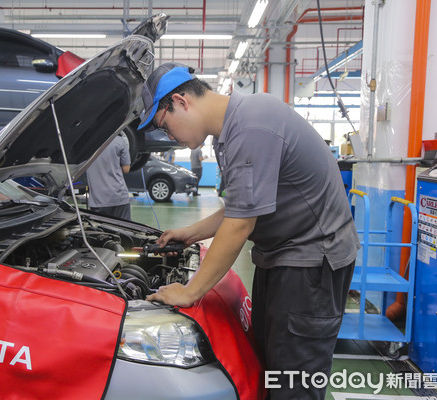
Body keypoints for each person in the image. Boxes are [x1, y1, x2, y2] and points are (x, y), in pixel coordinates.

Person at [138, 62, 359, 399]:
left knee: (293, 383)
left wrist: (190, 291)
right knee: (271, 364)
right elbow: (243, 206)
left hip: (312, 263)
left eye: (165, 127)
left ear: (181, 102)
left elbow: (241, 224)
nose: (170, 138)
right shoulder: (232, 130)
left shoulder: (251, 126)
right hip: (284, 256)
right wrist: (193, 232)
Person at [86, 133, 131, 220]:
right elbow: (126, 169)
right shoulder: (120, 141)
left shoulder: (88, 143)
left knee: (100, 231)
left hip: (98, 200)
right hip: (119, 197)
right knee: (124, 229)